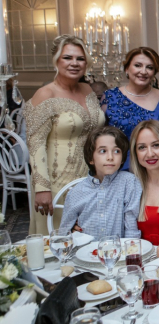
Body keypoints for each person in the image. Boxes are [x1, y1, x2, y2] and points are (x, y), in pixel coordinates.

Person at [24, 35, 106, 235]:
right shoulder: (46, 94)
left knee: (87, 237)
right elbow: (35, 143)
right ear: (56, 61)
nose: (74, 63)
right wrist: (42, 187)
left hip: (88, 177)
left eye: (80, 59)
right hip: (55, 181)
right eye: (67, 57)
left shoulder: (87, 89)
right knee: (58, 238)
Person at [59, 126, 141, 238]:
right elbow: (64, 234)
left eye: (116, 151)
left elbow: (131, 230)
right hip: (85, 249)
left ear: (122, 158)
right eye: (103, 151)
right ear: (91, 158)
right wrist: (71, 234)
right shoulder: (75, 192)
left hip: (119, 248)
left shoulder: (129, 182)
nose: (110, 157)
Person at [102, 47, 159, 170]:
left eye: (149, 67)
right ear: (127, 68)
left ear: (154, 72)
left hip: (153, 167)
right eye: (138, 65)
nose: (143, 71)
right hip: (117, 167)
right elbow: (100, 136)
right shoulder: (110, 97)